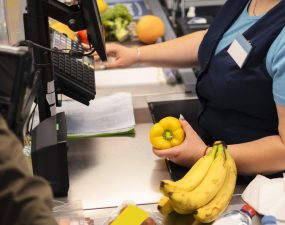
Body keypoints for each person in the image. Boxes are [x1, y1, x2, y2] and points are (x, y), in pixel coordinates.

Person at [96, 0, 285, 176]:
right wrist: (136, 54)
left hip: (255, 179)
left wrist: (205, 155)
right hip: (214, 147)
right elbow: (214, 40)